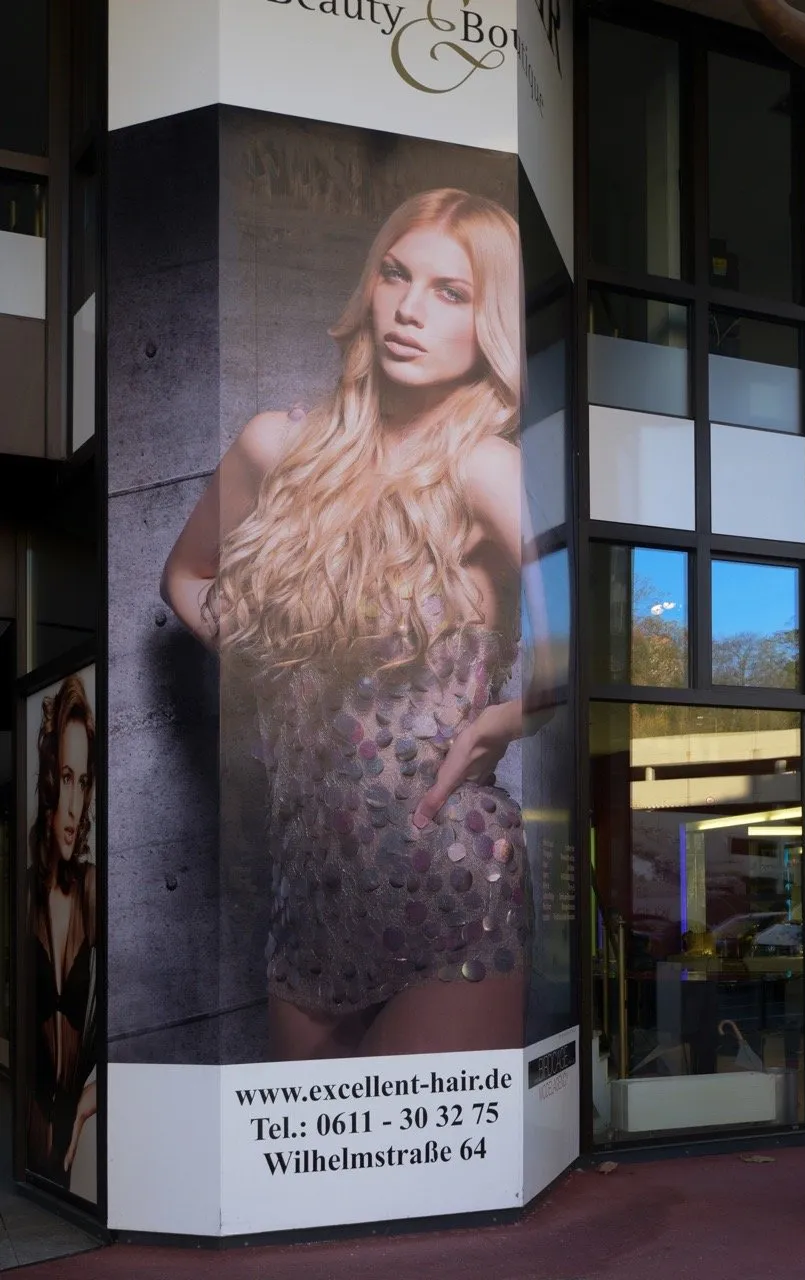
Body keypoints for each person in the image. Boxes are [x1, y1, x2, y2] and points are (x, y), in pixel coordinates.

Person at [162, 188, 553, 1060]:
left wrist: (512, 715)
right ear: (369, 289)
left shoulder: (486, 466)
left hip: (449, 888)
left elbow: (584, 623)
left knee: (433, 1184)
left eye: (450, 292)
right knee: (310, 1185)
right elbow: (185, 576)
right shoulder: (276, 446)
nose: (410, 310)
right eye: (395, 275)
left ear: (484, 322)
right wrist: (265, 653)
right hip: (308, 901)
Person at [27, 675, 96, 1188]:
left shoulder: (94, 892)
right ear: (50, 782)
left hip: (67, 1147)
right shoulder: (26, 893)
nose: (75, 807)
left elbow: (133, 1021)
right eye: (66, 778)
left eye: (84, 781)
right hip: (26, 1136)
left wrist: (90, 1104)